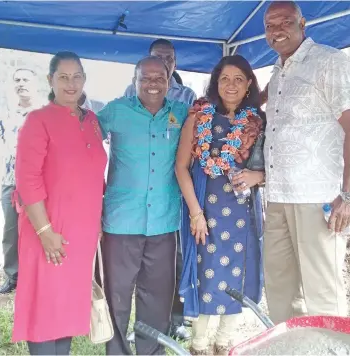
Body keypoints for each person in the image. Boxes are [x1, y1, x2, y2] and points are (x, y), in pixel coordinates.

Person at [262, 1, 350, 323]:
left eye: (285, 22)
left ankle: (331, 346)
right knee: (280, 290)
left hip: (317, 197)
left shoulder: (330, 62)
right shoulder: (278, 72)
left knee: (323, 292)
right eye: (270, 25)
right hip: (278, 196)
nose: (277, 30)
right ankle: (293, 346)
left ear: (303, 23)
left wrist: (348, 196)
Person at [12, 51, 107, 355]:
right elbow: (28, 182)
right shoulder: (37, 121)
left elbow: (94, 175)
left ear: (84, 79)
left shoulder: (91, 120)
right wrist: (45, 232)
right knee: (44, 307)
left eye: (76, 76)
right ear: (49, 80)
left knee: (68, 308)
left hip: (81, 236)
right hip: (48, 233)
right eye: (63, 77)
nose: (70, 83)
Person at [97, 56, 189, 355]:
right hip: (121, 222)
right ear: (134, 81)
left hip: (163, 222)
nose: (152, 84)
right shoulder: (116, 110)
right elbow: (82, 146)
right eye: (145, 78)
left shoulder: (182, 114)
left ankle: (151, 352)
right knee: (117, 298)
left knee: (158, 299)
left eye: (158, 78)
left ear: (169, 80)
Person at [176, 55, 265, 355]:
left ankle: (226, 342)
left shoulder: (256, 122)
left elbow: (273, 168)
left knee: (237, 273)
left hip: (243, 214)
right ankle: (199, 344)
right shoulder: (198, 116)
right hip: (204, 211)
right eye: (225, 78)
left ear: (249, 84)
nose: (231, 85)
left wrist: (258, 176)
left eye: (238, 79)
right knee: (206, 274)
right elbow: (181, 168)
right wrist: (195, 213)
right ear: (215, 81)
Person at [125, 38, 195, 341]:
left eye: (168, 58)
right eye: (157, 57)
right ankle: (141, 325)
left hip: (176, 190)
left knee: (176, 259)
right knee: (143, 265)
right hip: (141, 193)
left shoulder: (188, 95)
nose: (163, 63)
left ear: (175, 64)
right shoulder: (132, 91)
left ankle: (176, 320)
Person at [0, 68, 41, 295]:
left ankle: (38, 277)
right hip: (11, 181)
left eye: (26, 79)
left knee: (39, 229)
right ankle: (13, 276)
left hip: (39, 182)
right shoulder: (5, 114)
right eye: (17, 80)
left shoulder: (44, 112)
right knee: (10, 230)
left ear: (36, 83)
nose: (21, 83)